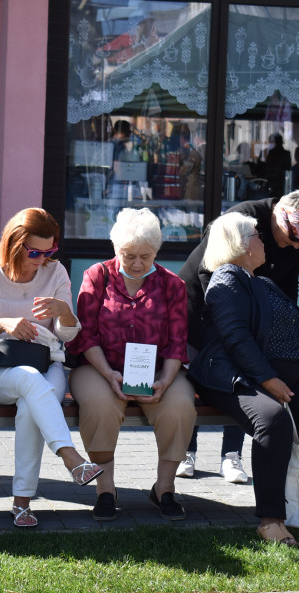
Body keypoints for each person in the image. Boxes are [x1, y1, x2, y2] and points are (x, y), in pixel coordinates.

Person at [189, 212, 299, 546]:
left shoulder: (263, 282)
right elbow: (235, 337)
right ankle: (271, 520)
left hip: (283, 377)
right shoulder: (227, 278)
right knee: (272, 422)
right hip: (237, 376)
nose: (263, 240)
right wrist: (268, 379)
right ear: (242, 245)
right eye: (257, 236)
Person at [0, 208, 104, 527]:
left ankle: (21, 503)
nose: (42, 259)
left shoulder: (56, 273)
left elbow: (67, 335)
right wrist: (2, 324)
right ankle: (72, 458)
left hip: (47, 361)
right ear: (14, 243)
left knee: (32, 401)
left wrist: (65, 312)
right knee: (31, 382)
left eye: (49, 251)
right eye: (35, 251)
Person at [178, 189, 299, 483]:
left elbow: (289, 282)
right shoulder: (243, 219)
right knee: (197, 374)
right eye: (293, 238)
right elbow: (210, 269)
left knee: (246, 374)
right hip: (200, 304)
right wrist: (230, 314)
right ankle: (186, 450)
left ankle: (231, 455)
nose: (296, 247)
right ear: (279, 217)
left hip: (249, 310)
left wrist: (285, 318)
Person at [67, 208, 196, 522]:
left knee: (180, 403)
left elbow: (177, 341)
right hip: (99, 366)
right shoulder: (96, 276)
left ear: (156, 252)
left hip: (156, 371)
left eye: (146, 256)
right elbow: (86, 334)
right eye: (129, 256)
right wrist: (109, 374)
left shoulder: (172, 285)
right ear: (115, 250)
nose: (137, 264)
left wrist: (165, 380)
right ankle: (106, 490)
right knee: (98, 404)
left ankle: (164, 489)